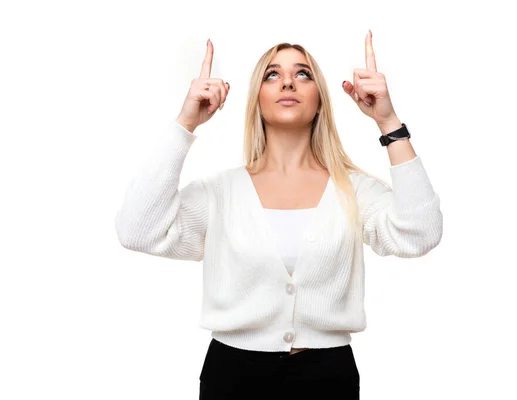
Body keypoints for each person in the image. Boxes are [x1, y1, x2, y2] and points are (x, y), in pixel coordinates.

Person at [114, 30, 443, 400]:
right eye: (272, 74)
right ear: (257, 99)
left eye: (303, 74)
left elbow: (420, 233)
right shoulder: (220, 193)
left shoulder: (353, 191)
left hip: (327, 377)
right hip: (232, 376)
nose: (287, 81)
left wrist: (389, 123)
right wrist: (185, 123)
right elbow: (137, 230)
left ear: (320, 100)